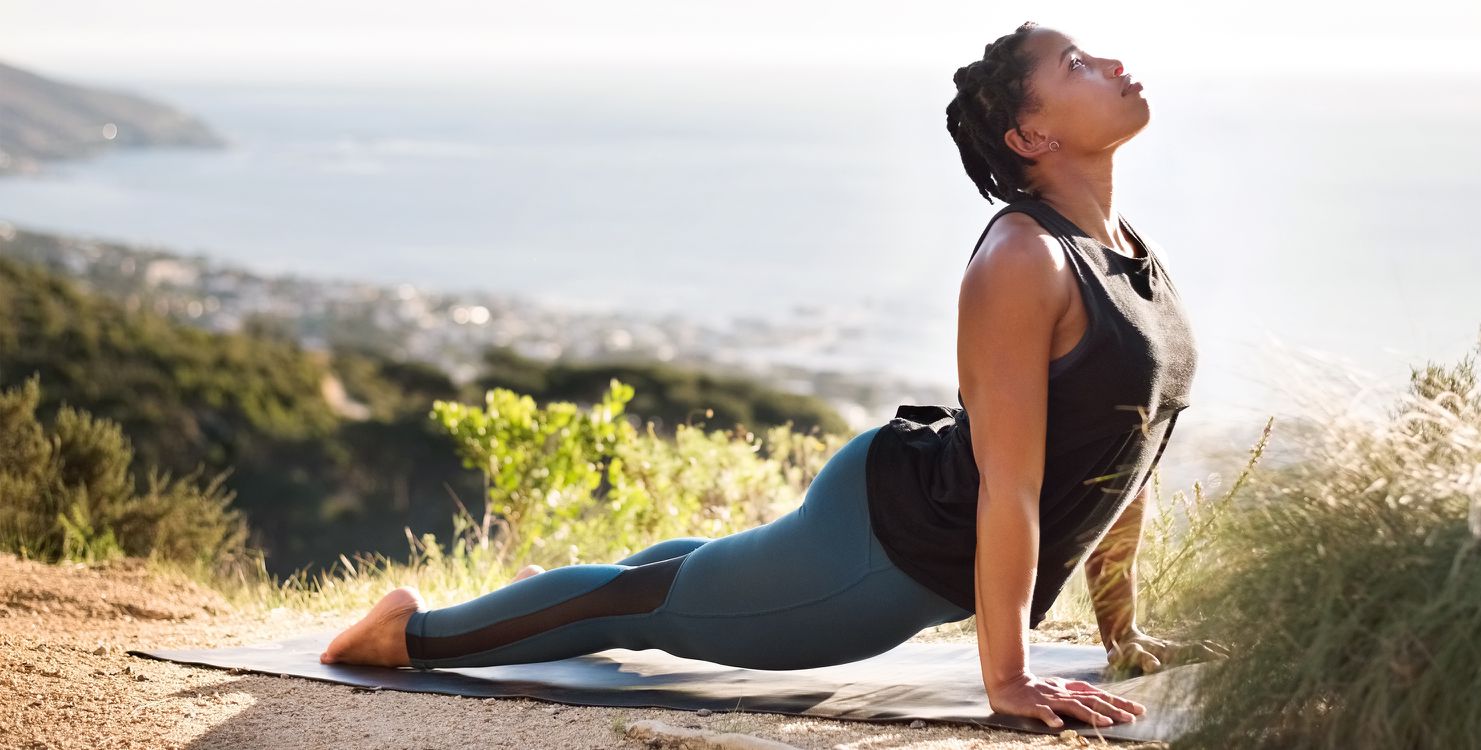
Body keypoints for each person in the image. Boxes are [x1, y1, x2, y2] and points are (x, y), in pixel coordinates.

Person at [319, 21, 1228, 730]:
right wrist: (1009, 678)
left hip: (905, 516)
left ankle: (501, 603)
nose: (1109, 63)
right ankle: (404, 633)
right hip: (880, 553)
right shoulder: (1022, 260)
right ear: (1031, 134)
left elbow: (1123, 461)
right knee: (649, 606)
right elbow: (1015, 483)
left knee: (665, 573)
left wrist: (1122, 634)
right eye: (1075, 63)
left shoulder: (1128, 254)